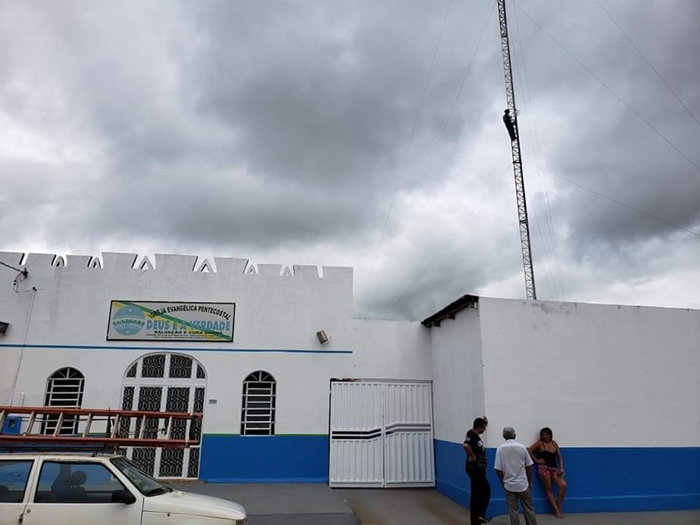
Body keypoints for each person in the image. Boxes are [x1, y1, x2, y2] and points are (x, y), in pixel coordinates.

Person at [495, 427, 538, 525]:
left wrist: (503, 482)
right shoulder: (522, 447)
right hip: (523, 484)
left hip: (509, 485)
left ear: (503, 436)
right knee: (529, 509)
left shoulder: (500, 449)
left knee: (513, 510)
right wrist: (529, 482)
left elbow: (498, 469)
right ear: (514, 435)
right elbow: (528, 467)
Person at [529, 427, 567, 518]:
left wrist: (561, 467)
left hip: (554, 468)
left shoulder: (554, 443)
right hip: (544, 468)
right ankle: (556, 510)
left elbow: (559, 456)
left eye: (546, 434)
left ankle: (559, 506)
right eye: (543, 434)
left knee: (563, 485)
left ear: (550, 435)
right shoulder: (539, 443)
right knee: (549, 488)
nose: (544, 436)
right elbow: (529, 450)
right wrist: (536, 460)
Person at [463, 416, 490, 524]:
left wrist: (485, 421)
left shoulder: (474, 434)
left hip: (479, 469)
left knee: (480, 492)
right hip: (475, 469)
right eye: (484, 427)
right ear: (479, 426)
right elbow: (466, 445)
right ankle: (478, 517)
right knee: (483, 491)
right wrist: (473, 456)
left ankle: (478, 516)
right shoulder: (471, 435)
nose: (485, 429)